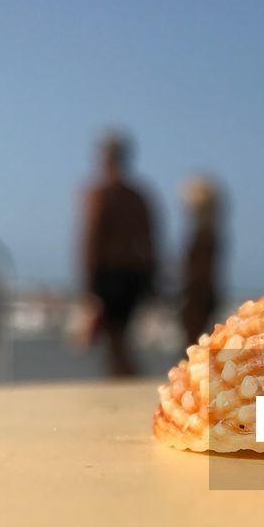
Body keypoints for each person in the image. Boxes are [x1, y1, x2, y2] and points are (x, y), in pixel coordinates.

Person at [80, 132, 157, 377]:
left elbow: (91, 239)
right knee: (120, 339)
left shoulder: (100, 194)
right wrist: (150, 280)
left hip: (110, 275)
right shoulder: (138, 197)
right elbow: (150, 243)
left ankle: (125, 386)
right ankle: (125, 383)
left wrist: (89, 284)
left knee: (116, 342)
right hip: (135, 274)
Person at [179, 176, 223, 346]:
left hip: (197, 293)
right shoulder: (212, 233)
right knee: (198, 340)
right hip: (205, 292)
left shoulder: (203, 236)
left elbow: (200, 270)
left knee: (193, 342)